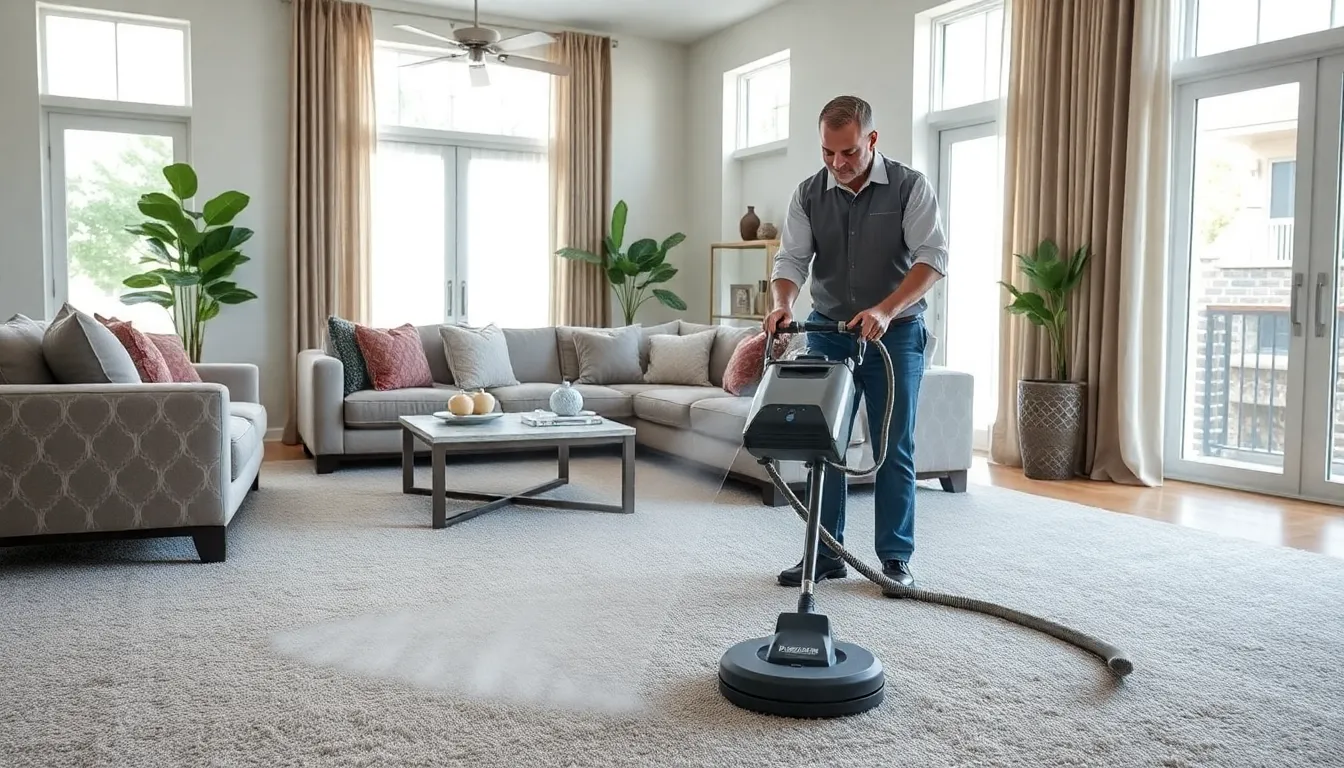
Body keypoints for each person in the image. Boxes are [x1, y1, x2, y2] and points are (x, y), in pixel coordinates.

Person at [764, 95, 948, 589]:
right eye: (827, 153)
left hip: (896, 333)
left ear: (871, 139)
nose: (837, 164)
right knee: (822, 444)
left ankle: (894, 560)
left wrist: (887, 309)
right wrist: (782, 303)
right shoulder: (808, 194)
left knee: (894, 446)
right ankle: (826, 555)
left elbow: (931, 260)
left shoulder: (910, 187)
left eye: (847, 153)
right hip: (829, 332)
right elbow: (791, 262)